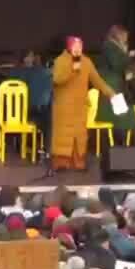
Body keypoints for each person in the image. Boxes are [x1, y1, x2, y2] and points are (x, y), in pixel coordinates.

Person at [50, 36, 115, 171]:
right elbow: (57, 79)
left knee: (79, 136)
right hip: (64, 108)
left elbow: (97, 81)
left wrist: (111, 93)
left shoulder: (86, 62)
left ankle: (78, 163)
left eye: (80, 46)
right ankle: (61, 164)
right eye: (75, 46)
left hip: (80, 107)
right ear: (69, 47)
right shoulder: (60, 61)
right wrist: (72, 69)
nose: (78, 49)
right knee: (63, 135)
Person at [94, 25, 135, 138]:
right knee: (120, 114)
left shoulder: (113, 46)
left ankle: (123, 138)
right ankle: (119, 139)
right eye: (124, 36)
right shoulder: (109, 46)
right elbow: (117, 64)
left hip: (115, 84)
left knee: (122, 113)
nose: (126, 39)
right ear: (118, 35)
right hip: (111, 84)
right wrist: (127, 55)